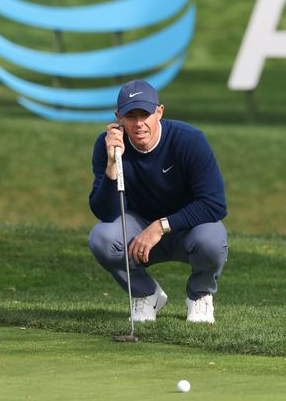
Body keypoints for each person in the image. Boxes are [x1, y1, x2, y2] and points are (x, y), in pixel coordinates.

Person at [88, 79, 228, 324]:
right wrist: (112, 166)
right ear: (118, 117)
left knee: (212, 240)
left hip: (187, 228)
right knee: (102, 238)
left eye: (146, 114)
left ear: (159, 112)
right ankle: (145, 293)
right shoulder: (108, 145)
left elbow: (215, 204)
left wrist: (161, 225)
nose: (139, 123)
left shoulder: (189, 140)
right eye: (131, 116)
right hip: (138, 229)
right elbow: (105, 212)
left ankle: (200, 295)